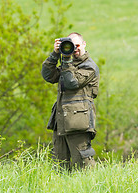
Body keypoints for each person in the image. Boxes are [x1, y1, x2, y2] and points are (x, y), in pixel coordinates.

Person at [41, 32, 100, 170]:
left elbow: (71, 83)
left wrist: (66, 60)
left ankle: (93, 188)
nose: (75, 49)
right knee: (59, 164)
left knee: (83, 163)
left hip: (78, 122)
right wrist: (55, 55)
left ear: (84, 44)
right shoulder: (68, 65)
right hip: (61, 121)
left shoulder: (89, 66)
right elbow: (48, 75)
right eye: (71, 46)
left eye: (77, 45)